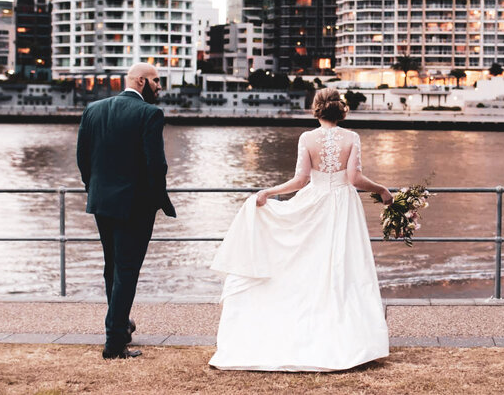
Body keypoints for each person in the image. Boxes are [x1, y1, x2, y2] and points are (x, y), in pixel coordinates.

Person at [209, 88, 393, 371]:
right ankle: (347, 336)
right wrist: (381, 189)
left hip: (315, 202)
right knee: (344, 268)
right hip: (343, 205)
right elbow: (354, 178)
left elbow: (299, 180)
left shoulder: (307, 138)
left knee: (307, 264)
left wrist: (269, 192)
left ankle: (303, 329)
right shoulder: (352, 137)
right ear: (341, 110)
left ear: (316, 109)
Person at [76, 62, 176, 359]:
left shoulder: (93, 109)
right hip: (135, 206)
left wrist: (92, 188)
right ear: (142, 82)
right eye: (157, 80)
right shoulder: (150, 113)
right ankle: (114, 342)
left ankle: (120, 325)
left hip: (102, 202)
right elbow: (156, 164)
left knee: (113, 269)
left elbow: (83, 157)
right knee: (127, 272)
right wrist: (157, 200)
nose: (160, 86)